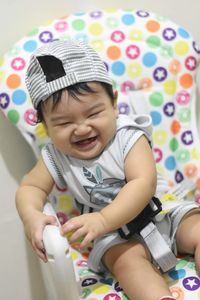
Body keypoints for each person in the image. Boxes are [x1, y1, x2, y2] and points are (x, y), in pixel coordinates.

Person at [16, 39, 200, 300]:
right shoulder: (56, 156)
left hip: (162, 211)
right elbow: (30, 187)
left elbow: (142, 182)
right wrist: (31, 216)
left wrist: (103, 219)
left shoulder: (128, 136)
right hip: (115, 236)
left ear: (113, 104)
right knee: (125, 263)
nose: (81, 128)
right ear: (46, 127)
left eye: (93, 114)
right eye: (64, 122)